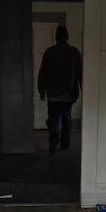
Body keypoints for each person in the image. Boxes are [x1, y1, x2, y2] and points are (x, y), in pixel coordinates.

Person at [37, 25, 82, 155]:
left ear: (56, 37)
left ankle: (53, 142)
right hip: (69, 93)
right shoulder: (74, 52)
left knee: (53, 119)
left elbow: (42, 73)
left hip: (53, 93)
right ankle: (65, 144)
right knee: (67, 118)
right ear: (67, 37)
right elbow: (81, 73)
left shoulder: (49, 52)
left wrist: (41, 90)